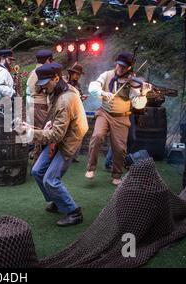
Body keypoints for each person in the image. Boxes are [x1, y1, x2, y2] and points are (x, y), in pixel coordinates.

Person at [22, 63, 88, 227]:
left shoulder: (66, 99)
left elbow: (57, 135)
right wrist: (40, 126)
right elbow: (55, 122)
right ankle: (58, 201)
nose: (44, 89)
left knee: (51, 180)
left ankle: (74, 212)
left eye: (46, 84)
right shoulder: (60, 87)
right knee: (37, 172)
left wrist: (30, 133)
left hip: (69, 140)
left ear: (56, 78)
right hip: (59, 136)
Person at [85, 52, 152, 186]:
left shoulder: (132, 82)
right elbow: (93, 87)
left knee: (120, 148)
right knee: (97, 136)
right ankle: (90, 168)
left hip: (121, 117)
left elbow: (137, 104)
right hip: (104, 112)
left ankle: (116, 175)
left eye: (124, 67)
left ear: (129, 68)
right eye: (119, 65)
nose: (120, 69)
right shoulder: (107, 75)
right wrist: (103, 93)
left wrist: (143, 93)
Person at [66, 62, 86, 163]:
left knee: (79, 132)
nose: (77, 76)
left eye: (79, 74)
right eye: (76, 74)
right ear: (71, 73)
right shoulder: (65, 83)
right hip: (67, 110)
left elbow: (79, 98)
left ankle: (74, 156)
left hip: (76, 111)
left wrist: (82, 98)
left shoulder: (78, 85)